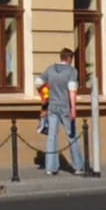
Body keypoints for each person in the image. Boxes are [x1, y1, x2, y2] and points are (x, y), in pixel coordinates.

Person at [37, 47, 81, 176]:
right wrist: (73, 109)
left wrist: (45, 97)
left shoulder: (50, 69)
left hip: (52, 107)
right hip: (65, 107)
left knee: (52, 137)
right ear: (69, 58)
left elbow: (38, 82)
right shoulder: (72, 71)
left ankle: (50, 167)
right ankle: (78, 166)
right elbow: (72, 90)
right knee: (72, 135)